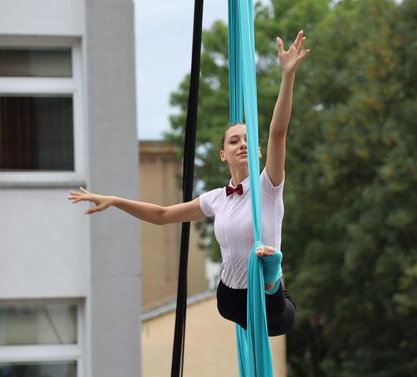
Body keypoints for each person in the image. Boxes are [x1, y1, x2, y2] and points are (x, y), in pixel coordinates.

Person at [69, 31, 310, 336]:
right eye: (234, 141)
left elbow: (278, 133)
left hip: (267, 302)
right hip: (230, 298)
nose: (242, 145)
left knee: (280, 315)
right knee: (241, 295)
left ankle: (271, 275)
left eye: (249, 141)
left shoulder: (268, 186)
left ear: (259, 151)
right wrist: (116, 201)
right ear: (223, 154)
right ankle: (269, 275)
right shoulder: (217, 199)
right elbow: (162, 215)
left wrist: (288, 76)